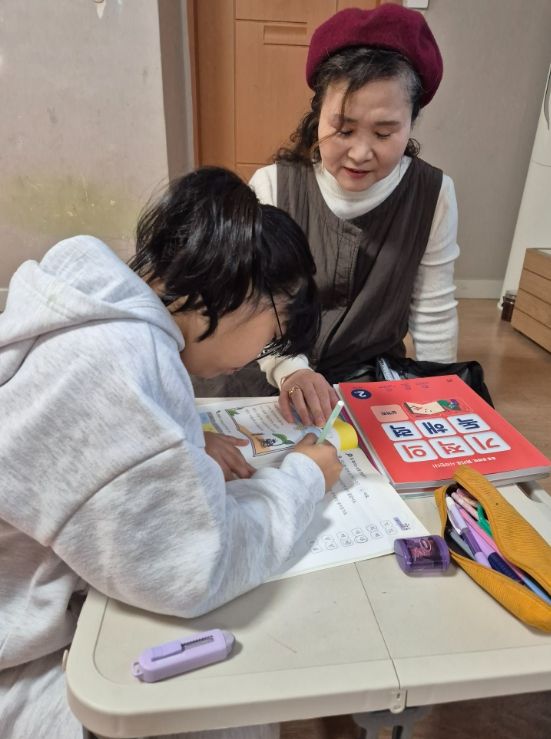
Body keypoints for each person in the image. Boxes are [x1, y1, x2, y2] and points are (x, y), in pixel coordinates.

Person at [0, 166, 342, 739]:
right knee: (240, 702)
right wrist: (304, 477)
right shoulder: (125, 365)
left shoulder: (91, 305)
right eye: (274, 331)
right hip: (20, 663)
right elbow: (198, 570)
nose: (264, 351)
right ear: (242, 293)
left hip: (31, 604)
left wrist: (178, 438)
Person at [197, 4, 459, 431]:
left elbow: (433, 310)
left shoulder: (434, 195)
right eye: (344, 129)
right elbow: (253, 303)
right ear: (318, 112)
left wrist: (441, 395)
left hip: (366, 377)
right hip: (271, 368)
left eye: (384, 132)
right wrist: (291, 370)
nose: (360, 152)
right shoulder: (273, 186)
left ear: (412, 122)